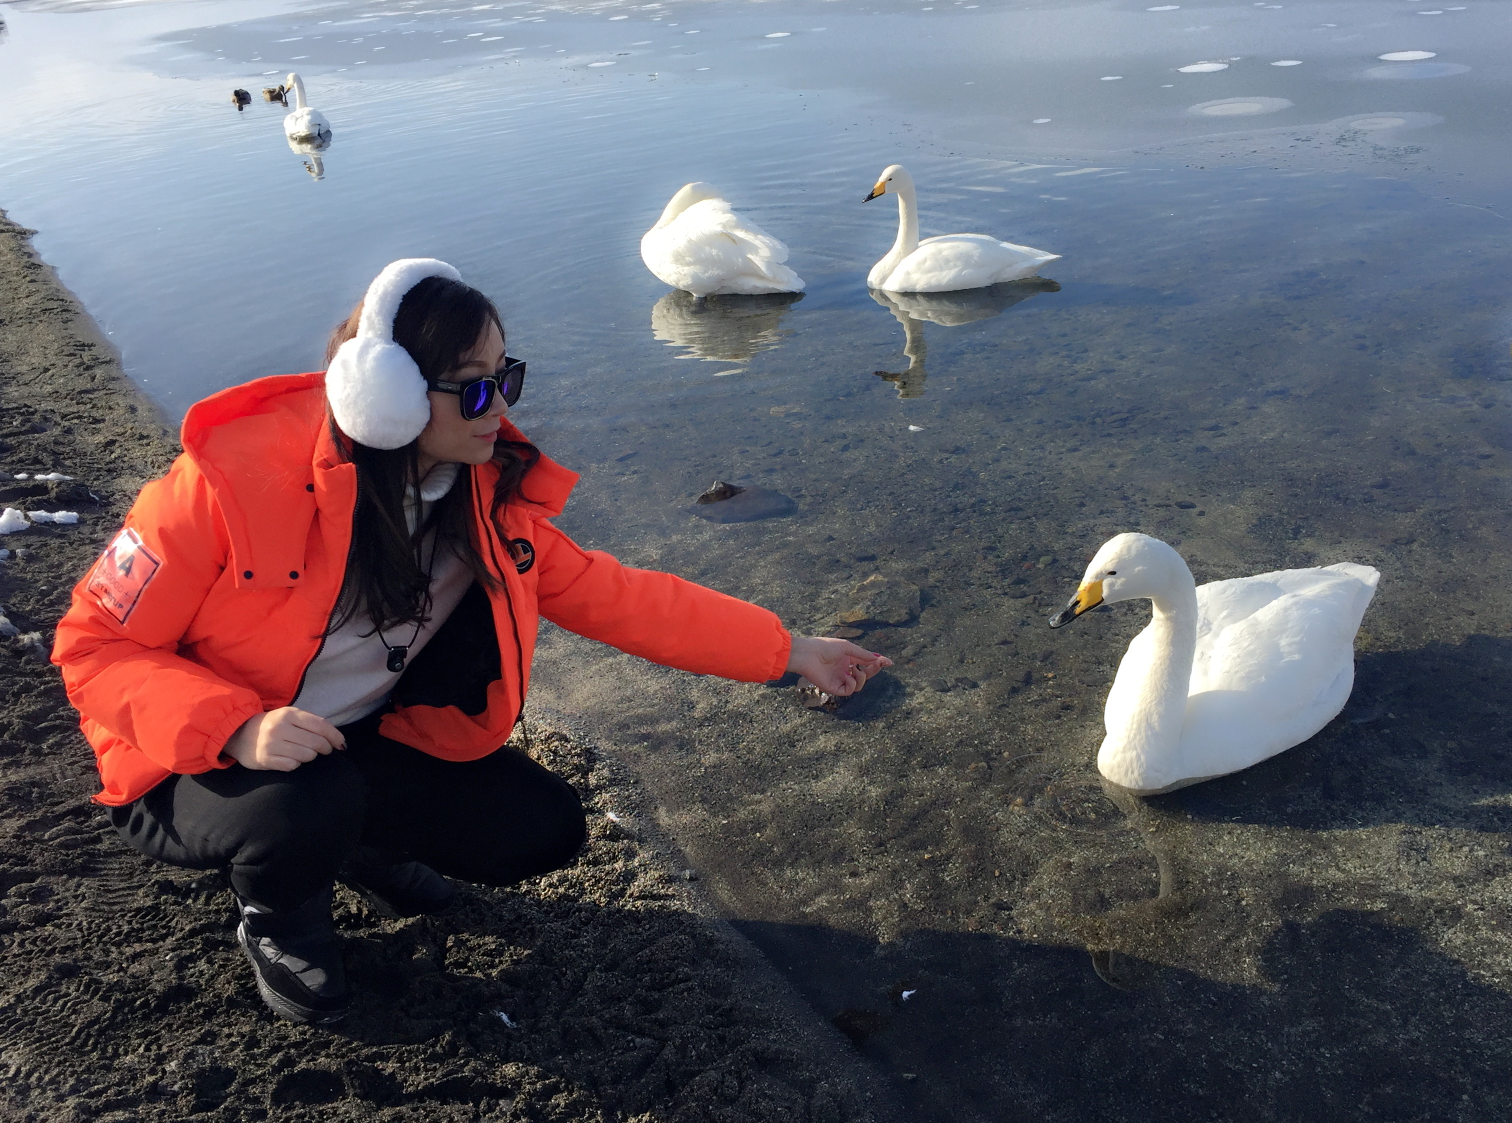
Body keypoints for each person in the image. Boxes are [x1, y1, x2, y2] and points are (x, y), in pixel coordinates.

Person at [54, 258, 890, 1027]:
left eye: (507, 378)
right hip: (187, 765)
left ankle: (356, 849)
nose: (503, 409)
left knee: (542, 827)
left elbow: (623, 597)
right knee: (305, 802)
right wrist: (236, 726)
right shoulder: (224, 486)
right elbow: (92, 646)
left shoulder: (483, 506)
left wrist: (791, 650)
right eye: (476, 389)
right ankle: (281, 923)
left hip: (348, 746)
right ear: (390, 396)